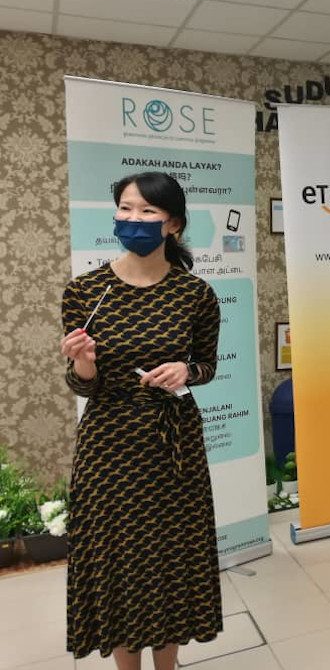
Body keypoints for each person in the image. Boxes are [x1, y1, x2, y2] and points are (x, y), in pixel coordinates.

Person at [59, 172, 222, 668]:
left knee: (168, 564)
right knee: (120, 566)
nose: (133, 219)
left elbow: (207, 366)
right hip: (109, 447)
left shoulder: (196, 295)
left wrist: (185, 370)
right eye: (125, 209)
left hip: (172, 449)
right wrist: (83, 363)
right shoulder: (85, 292)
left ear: (172, 224)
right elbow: (82, 385)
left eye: (147, 211)